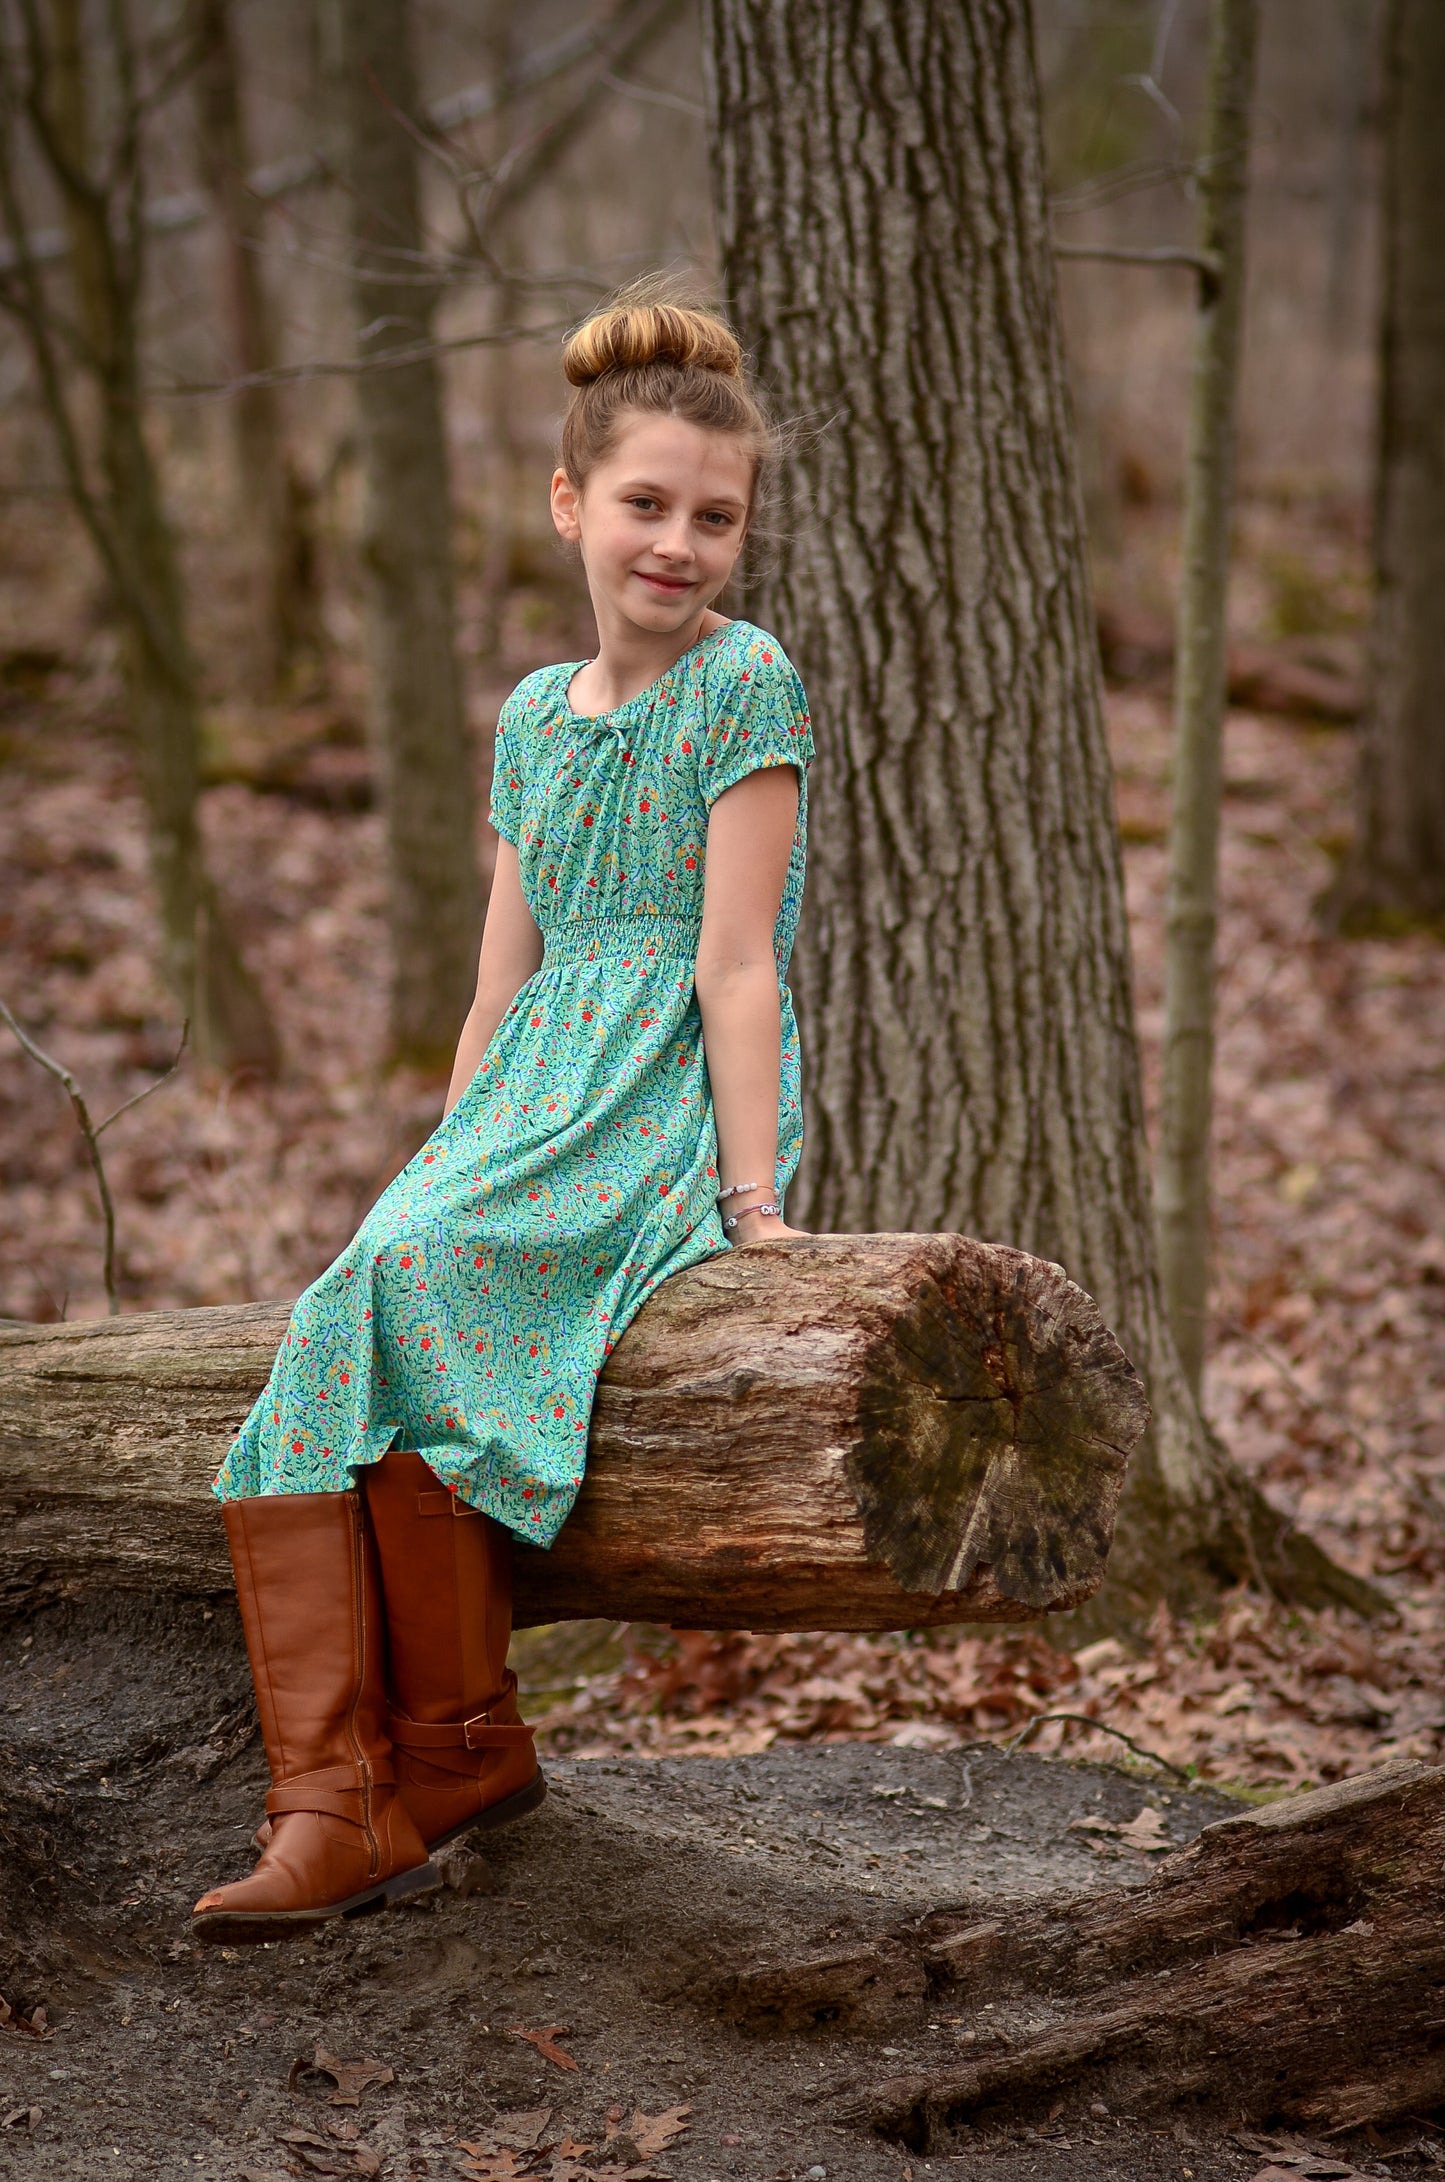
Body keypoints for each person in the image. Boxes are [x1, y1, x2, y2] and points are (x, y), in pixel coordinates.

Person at [192, 287, 814, 1942]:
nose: (676, 543)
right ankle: (355, 1784)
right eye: (644, 504)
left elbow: (738, 964)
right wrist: (442, 1157)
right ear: (569, 505)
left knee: (408, 1286)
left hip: (651, 1085)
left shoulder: (745, 683)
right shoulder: (538, 714)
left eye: (714, 515)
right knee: (365, 1286)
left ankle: (432, 1758)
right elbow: (493, 981)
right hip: (532, 1083)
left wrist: (752, 1201)